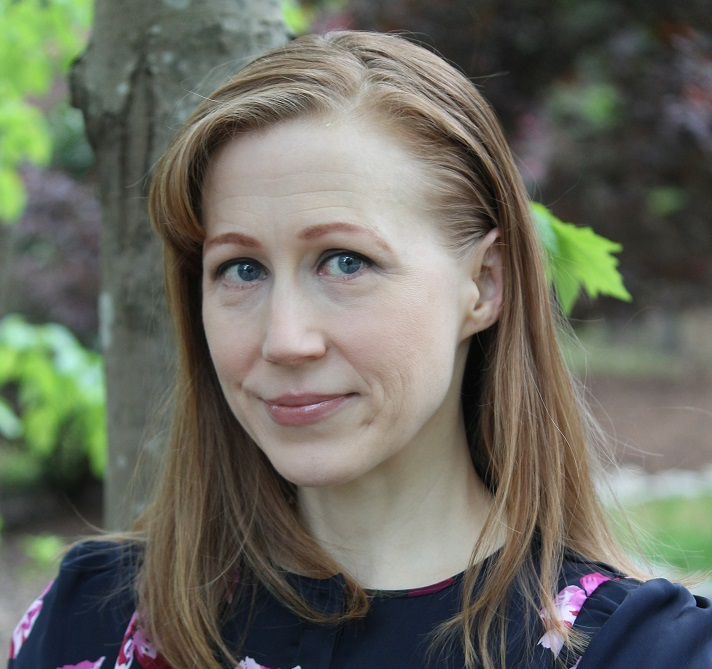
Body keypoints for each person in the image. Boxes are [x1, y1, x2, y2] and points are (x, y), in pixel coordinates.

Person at [6, 30, 712, 669]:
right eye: (241, 269)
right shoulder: (91, 622)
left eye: (345, 262)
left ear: (483, 285)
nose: (285, 340)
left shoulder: (645, 653)